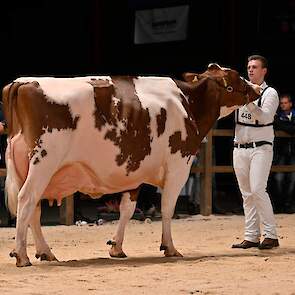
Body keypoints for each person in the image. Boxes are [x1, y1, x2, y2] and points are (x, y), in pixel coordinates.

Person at [232, 55, 279, 250]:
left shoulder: (270, 93)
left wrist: (249, 101)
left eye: (255, 67)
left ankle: (271, 235)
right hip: (239, 148)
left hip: (260, 147)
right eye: (249, 67)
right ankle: (251, 236)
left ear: (264, 71)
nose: (250, 70)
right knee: (247, 194)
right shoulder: (242, 91)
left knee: (258, 189)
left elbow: (266, 117)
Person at [273, 94, 295, 213]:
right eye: (281, 103)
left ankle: (288, 204)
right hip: (281, 152)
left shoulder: (288, 116)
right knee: (278, 178)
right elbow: (276, 125)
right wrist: (287, 127)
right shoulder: (277, 116)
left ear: (290, 104)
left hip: (293, 152)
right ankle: (279, 204)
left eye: (285, 103)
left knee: (292, 179)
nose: (283, 105)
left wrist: (281, 125)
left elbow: (292, 129)